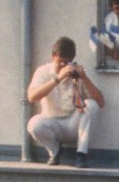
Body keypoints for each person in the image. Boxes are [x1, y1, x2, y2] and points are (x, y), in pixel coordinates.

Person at [27, 37, 104, 168]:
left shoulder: (77, 72)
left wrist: (84, 78)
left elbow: (100, 102)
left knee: (92, 105)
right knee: (34, 124)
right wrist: (58, 78)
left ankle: (81, 153)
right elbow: (32, 97)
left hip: (73, 123)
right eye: (60, 62)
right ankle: (55, 151)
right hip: (52, 122)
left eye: (67, 62)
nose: (64, 65)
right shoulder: (43, 71)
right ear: (53, 57)